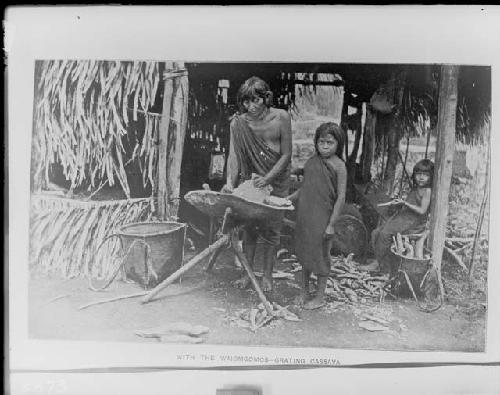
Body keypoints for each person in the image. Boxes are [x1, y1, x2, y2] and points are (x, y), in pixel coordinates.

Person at [222, 76, 292, 293]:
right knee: (250, 229)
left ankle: (268, 276)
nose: (250, 107)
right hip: (251, 182)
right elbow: (233, 157)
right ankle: (247, 274)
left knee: (272, 231)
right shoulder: (238, 123)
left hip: (276, 180)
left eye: (256, 101)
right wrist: (229, 184)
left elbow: (287, 154)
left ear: (266, 98)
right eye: (246, 102)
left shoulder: (281, 118)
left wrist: (269, 178)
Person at [288, 122, 347, 310]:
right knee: (305, 253)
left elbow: (341, 198)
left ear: (339, 144)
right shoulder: (312, 162)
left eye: (330, 142)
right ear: (316, 142)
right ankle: (304, 290)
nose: (325, 146)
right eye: (322, 141)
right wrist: (287, 199)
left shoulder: (339, 166)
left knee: (321, 256)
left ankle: (320, 296)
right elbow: (304, 188)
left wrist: (331, 224)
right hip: (305, 216)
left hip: (323, 219)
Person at [371, 159, 434, 276]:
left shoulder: (427, 191)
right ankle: (379, 262)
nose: (421, 178)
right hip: (405, 218)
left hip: (414, 223)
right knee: (376, 232)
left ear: (431, 177)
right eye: (418, 174)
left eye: (425, 175)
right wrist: (398, 203)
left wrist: (405, 203)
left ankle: (382, 267)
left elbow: (422, 210)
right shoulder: (416, 188)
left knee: (385, 235)